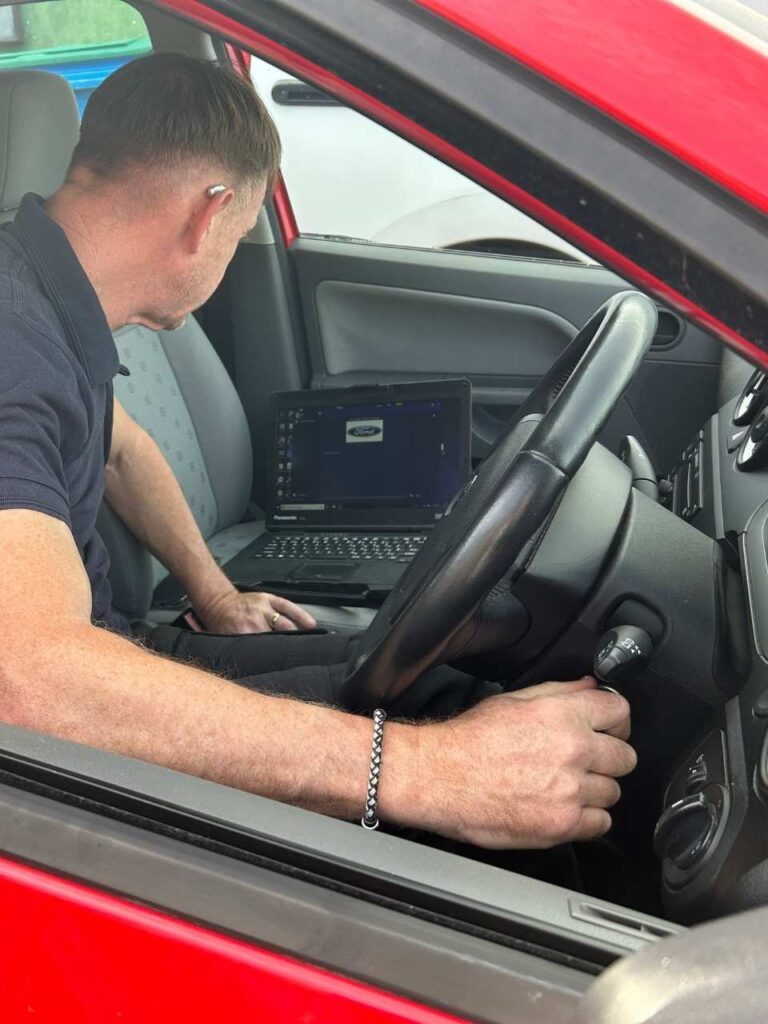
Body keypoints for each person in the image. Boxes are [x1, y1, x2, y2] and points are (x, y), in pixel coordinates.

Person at [0, 53, 635, 850]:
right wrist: (422, 774)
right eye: (238, 236)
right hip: (57, 768)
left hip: (112, 658)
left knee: (426, 685)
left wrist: (218, 595)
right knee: (428, 725)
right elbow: (27, 681)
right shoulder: (13, 341)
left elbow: (120, 450)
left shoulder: (47, 299)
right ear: (209, 214)